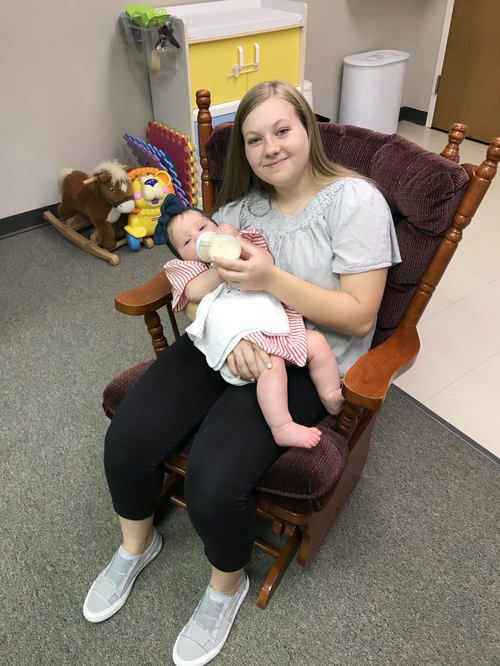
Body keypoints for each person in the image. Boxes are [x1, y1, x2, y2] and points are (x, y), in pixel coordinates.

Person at [83, 80, 401, 666]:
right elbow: (196, 289)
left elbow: (360, 317)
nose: (270, 148)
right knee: (127, 438)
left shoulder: (355, 202)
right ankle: (136, 544)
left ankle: (226, 586)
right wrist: (225, 335)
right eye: (254, 139)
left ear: (308, 130)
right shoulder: (234, 214)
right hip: (223, 341)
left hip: (299, 353)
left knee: (213, 479)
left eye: (282, 130)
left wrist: (270, 282)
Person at [161, 195, 345, 449]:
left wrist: (235, 242)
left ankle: (331, 394)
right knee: (272, 366)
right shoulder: (190, 269)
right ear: (181, 256)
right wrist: (220, 269)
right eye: (186, 242)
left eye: (202, 227)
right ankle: (282, 426)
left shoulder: (240, 242)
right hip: (245, 339)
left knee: (317, 342)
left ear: (216, 225)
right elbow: (193, 292)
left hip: (276, 325)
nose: (199, 238)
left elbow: (266, 262)